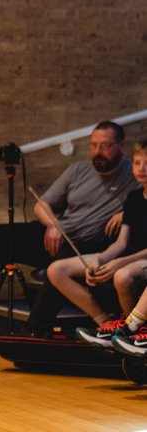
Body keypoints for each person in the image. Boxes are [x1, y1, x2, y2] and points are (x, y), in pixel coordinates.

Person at [0, 121, 139, 332]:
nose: (97, 152)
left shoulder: (135, 174)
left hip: (87, 244)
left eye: (105, 146)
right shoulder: (78, 170)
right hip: (58, 234)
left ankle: (35, 328)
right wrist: (52, 225)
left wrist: (126, 212)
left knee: (61, 262)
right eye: (93, 145)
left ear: (121, 146)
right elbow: (41, 205)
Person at [64, 141, 147, 347]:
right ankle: (107, 323)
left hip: (140, 258)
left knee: (122, 275)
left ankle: (131, 330)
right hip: (128, 255)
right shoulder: (133, 198)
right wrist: (101, 260)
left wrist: (118, 263)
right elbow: (121, 243)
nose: (141, 169)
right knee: (57, 269)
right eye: (137, 163)